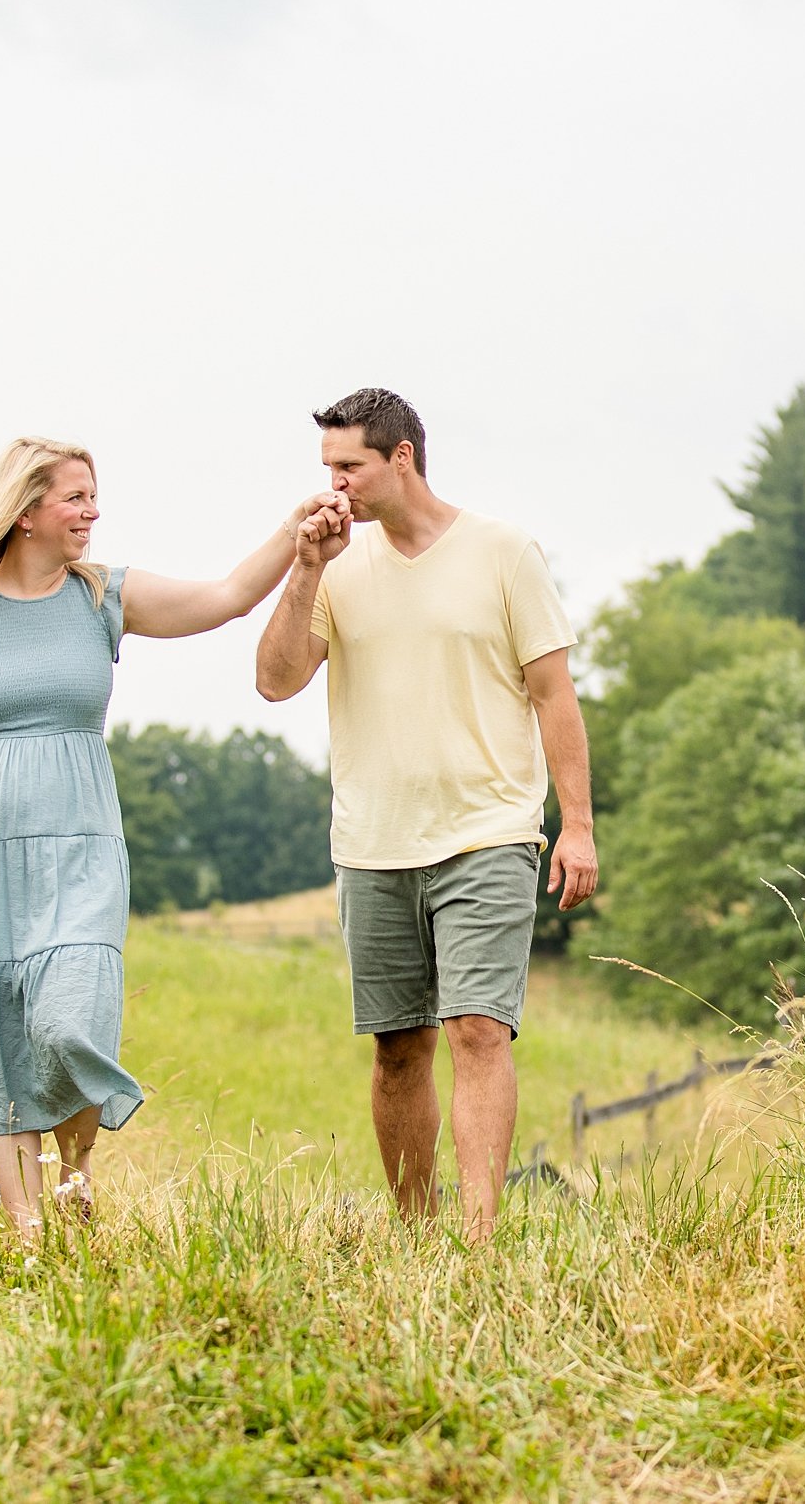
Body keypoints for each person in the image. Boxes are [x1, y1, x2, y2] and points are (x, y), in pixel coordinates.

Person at [0, 437, 333, 1233]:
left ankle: (77, 1161)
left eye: (95, 496)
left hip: (80, 845)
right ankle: (30, 1238)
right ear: (25, 512)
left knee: (71, 1016)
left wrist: (294, 532)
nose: (92, 511)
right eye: (76, 497)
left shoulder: (103, 598)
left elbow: (227, 596)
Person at [254, 388, 597, 1242]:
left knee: (478, 1028)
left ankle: (476, 1240)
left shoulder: (504, 552)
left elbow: (554, 695)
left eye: (348, 467)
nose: (332, 486)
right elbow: (275, 678)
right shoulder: (335, 567)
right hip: (372, 844)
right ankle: (416, 1235)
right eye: (325, 468)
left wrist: (579, 825)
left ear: (400, 458)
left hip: (488, 831)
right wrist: (304, 569)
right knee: (398, 1047)